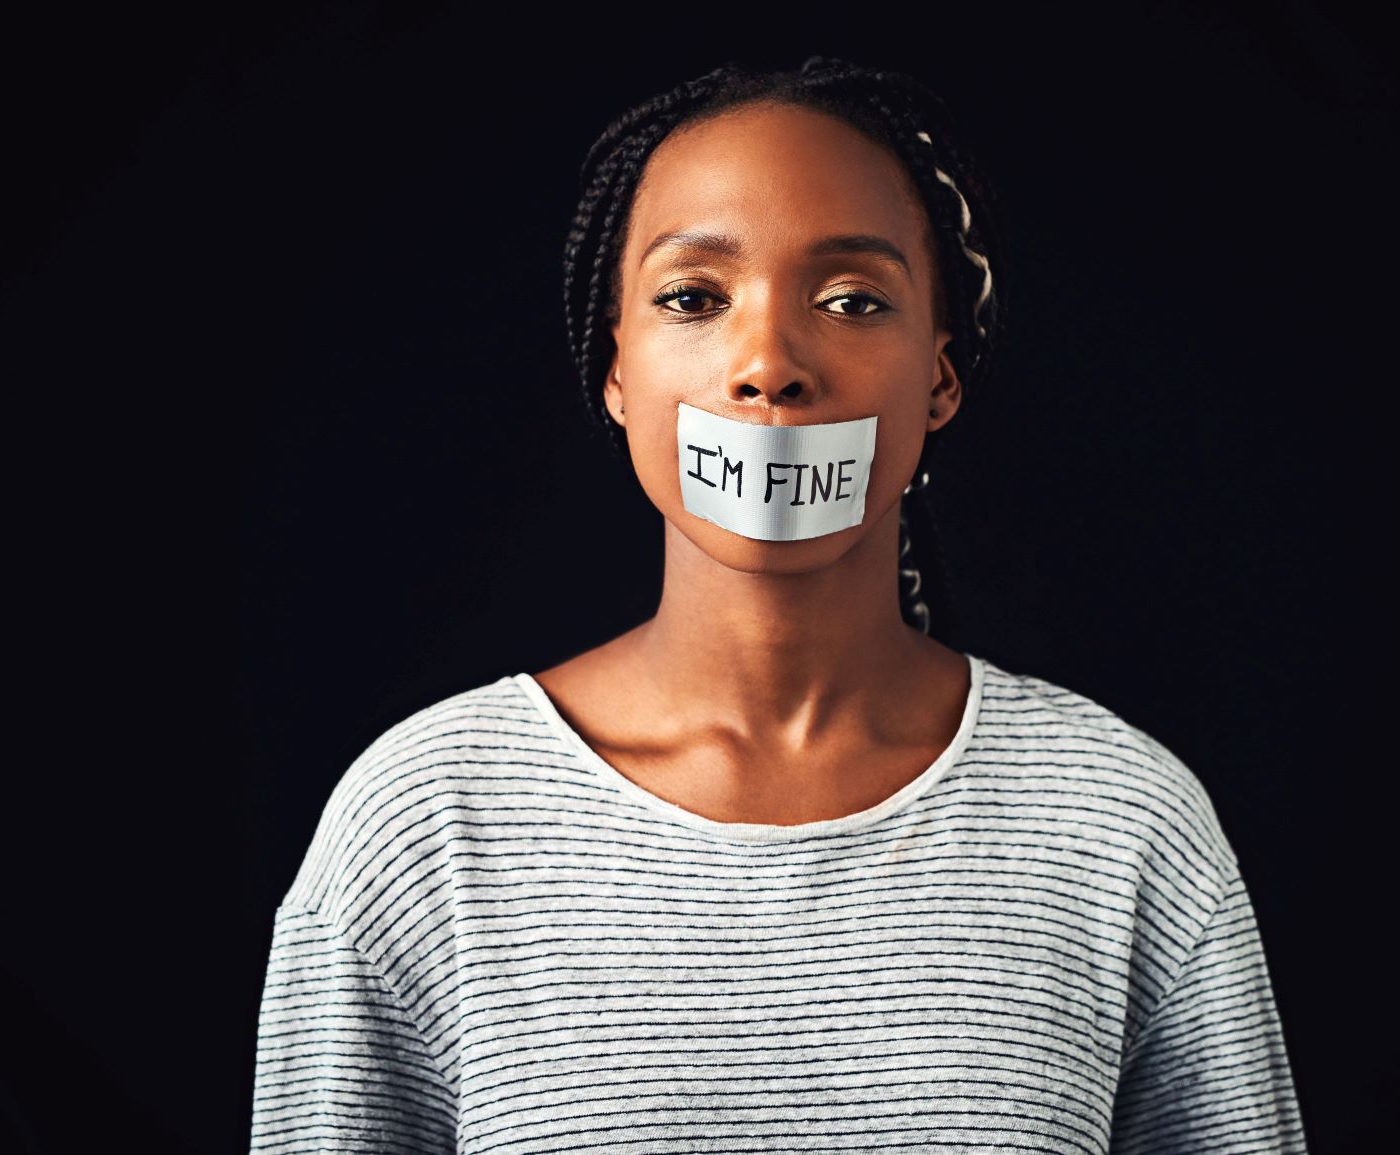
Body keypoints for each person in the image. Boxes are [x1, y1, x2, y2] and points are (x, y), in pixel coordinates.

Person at [248, 57, 1308, 1153]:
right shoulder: (427, 824)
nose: (767, 364)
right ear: (615, 367)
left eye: (852, 300)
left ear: (940, 377)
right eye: (693, 299)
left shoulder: (1123, 826)